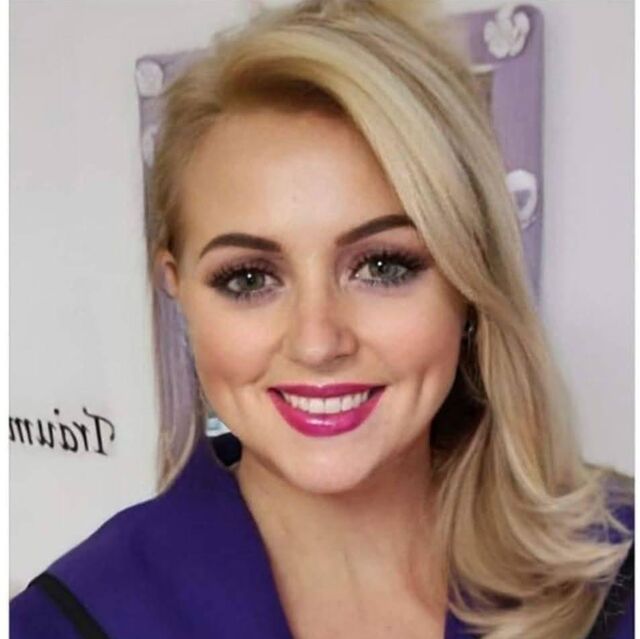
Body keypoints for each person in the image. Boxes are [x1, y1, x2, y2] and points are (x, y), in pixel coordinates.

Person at [10, 1, 633, 638]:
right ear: (178, 287)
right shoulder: (65, 622)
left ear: (470, 280)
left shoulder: (618, 572)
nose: (317, 342)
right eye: (248, 278)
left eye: (383, 266)